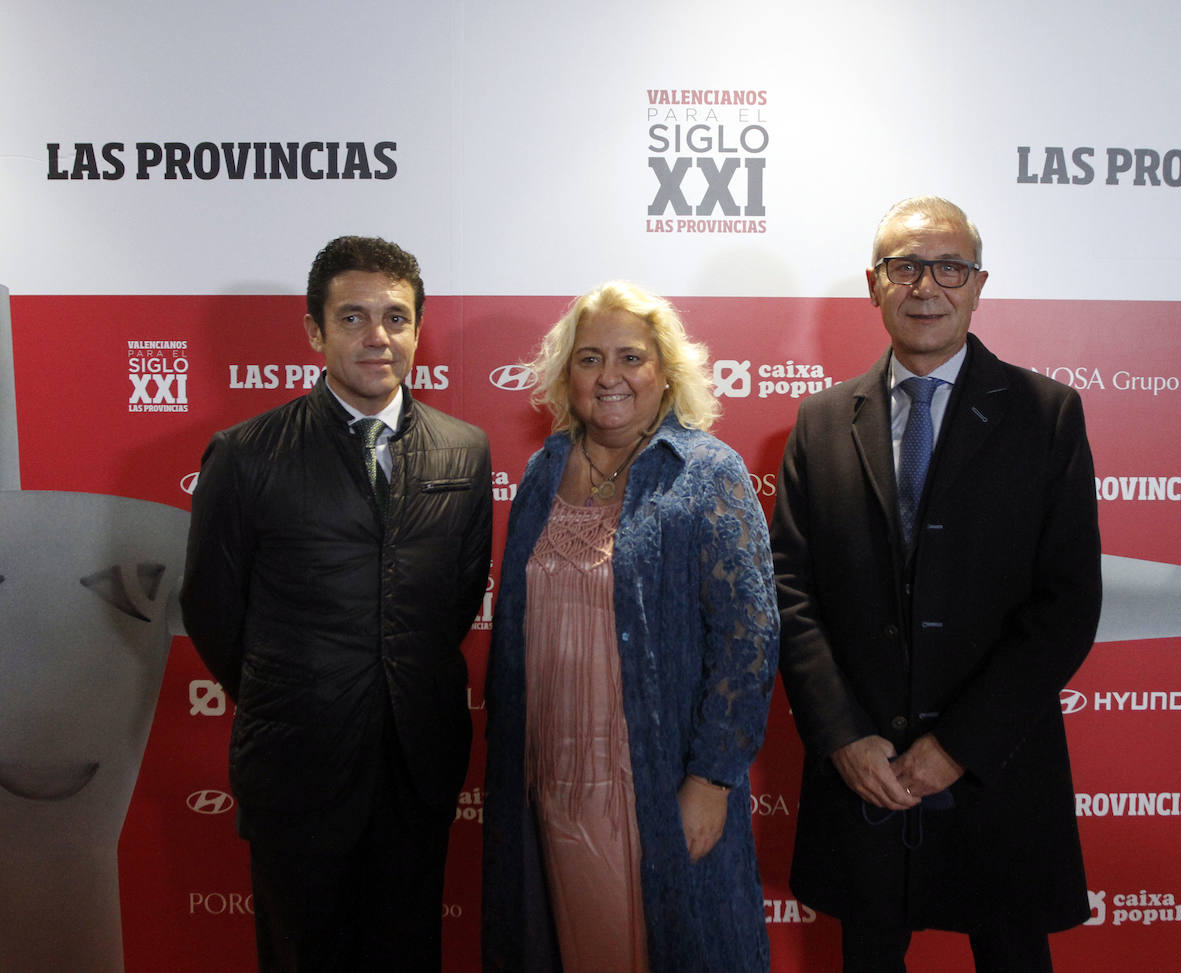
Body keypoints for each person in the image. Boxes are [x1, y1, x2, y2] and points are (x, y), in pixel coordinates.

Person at [770, 196, 1102, 972]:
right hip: (865, 772)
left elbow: (1066, 604)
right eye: (905, 266)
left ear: (979, 283)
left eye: (949, 266)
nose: (927, 286)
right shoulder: (820, 422)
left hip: (996, 770)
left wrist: (957, 746)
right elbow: (789, 589)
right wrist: (843, 736)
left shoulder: (1046, 414)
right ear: (873, 283)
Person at [180, 236, 492, 972]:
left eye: (395, 316)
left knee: (409, 952)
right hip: (297, 765)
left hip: (417, 762)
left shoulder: (465, 449)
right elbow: (212, 612)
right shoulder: (247, 453)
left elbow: (456, 600)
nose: (377, 336)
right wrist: (297, 688)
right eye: (353, 317)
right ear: (316, 332)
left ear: (417, 329)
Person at [481, 281, 778, 972]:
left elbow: (751, 638)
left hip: (654, 778)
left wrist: (712, 779)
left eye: (630, 357)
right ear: (566, 374)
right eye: (589, 358)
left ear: (665, 369)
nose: (609, 376)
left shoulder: (707, 473)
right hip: (546, 777)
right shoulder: (541, 471)